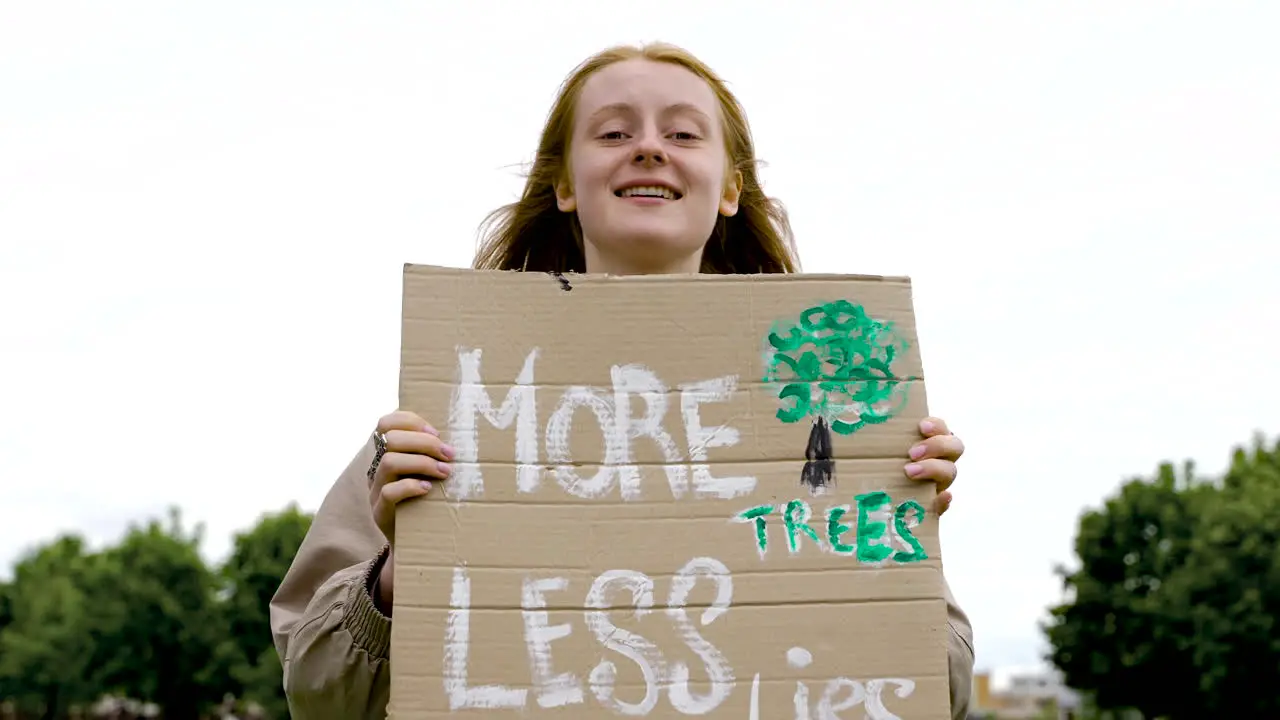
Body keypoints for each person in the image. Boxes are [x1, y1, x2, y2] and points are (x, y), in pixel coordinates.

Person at [269, 41, 974, 719]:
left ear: (730, 189)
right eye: (612, 132)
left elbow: (937, 693)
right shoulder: (450, 421)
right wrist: (400, 571)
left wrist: (897, 540)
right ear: (564, 185)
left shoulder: (826, 422)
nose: (648, 147)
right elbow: (320, 698)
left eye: (684, 134)